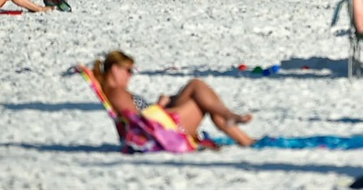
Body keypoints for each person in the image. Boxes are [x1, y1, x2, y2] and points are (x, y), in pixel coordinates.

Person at [94, 49, 254, 148]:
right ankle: (230, 118)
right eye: (128, 70)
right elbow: (139, 122)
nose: (130, 75)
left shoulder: (117, 91)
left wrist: (164, 104)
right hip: (163, 132)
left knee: (198, 91)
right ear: (115, 69)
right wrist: (160, 105)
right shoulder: (117, 93)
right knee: (196, 86)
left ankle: (236, 128)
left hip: (161, 124)